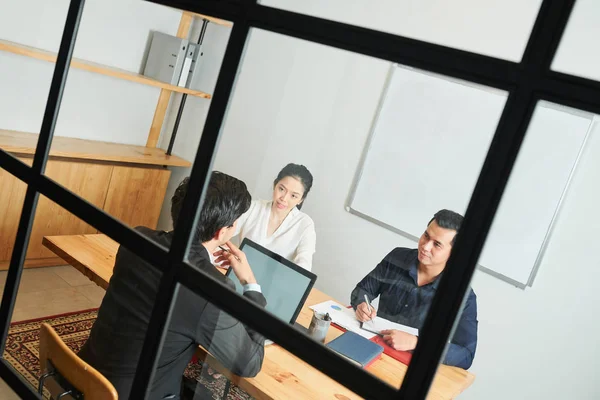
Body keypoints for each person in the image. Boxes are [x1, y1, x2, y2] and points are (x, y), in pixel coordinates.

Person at [78, 173, 267, 399]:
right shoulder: (208, 289)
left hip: (82, 376)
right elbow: (249, 364)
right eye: (236, 221)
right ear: (221, 232)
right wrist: (251, 286)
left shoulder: (137, 238)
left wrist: (203, 263)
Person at [350, 209, 478, 369]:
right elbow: (362, 291)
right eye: (426, 236)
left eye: (437, 244)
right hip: (370, 348)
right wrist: (362, 304)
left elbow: (466, 355)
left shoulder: (461, 295)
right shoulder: (397, 258)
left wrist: (417, 343)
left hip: (412, 367)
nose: (425, 246)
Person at [234, 163, 316, 271]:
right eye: (281, 189)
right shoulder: (253, 207)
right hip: (239, 273)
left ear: (301, 200)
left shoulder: (305, 224)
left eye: (293, 196)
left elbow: (304, 265)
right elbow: (223, 232)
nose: (284, 198)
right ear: (275, 185)